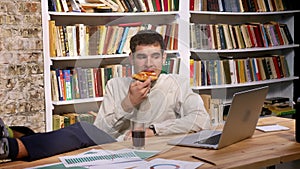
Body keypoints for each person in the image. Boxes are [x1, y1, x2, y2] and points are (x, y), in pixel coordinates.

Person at [0, 30, 210, 161]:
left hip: (162, 152)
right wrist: (128, 103)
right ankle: (10, 144)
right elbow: (98, 131)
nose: (149, 64)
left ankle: (16, 137)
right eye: (142, 57)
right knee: (82, 130)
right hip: (117, 148)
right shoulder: (116, 84)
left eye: (156, 56)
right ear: (131, 59)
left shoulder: (178, 83)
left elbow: (202, 119)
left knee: (76, 132)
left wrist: (154, 129)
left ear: (164, 58)